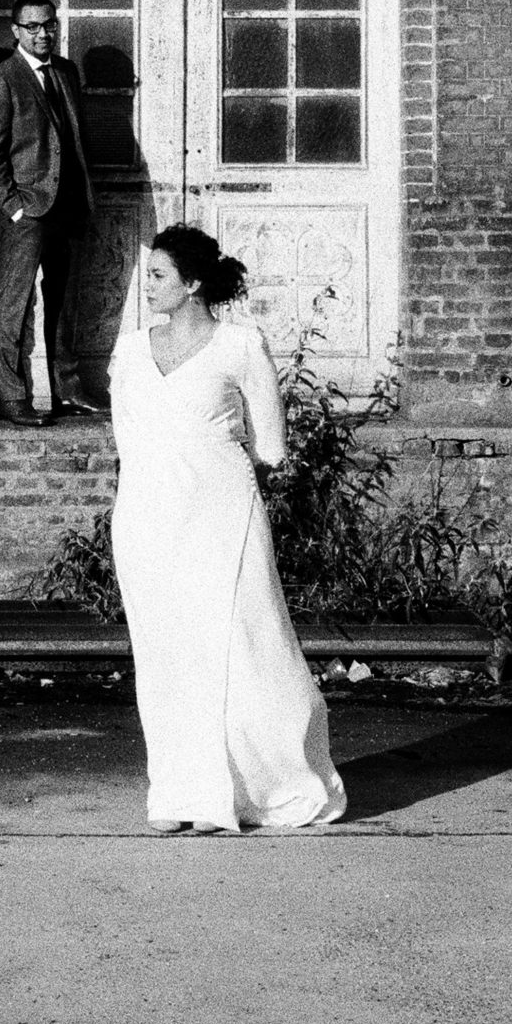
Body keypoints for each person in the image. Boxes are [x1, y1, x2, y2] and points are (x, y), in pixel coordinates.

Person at [109, 224, 346, 833]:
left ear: (192, 284)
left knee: (246, 649)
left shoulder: (240, 345)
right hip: (145, 520)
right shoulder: (129, 351)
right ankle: (182, 796)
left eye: (159, 275)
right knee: (165, 659)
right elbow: (127, 443)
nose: (149, 286)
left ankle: (265, 788)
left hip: (222, 515)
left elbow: (271, 447)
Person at [0, 0, 105, 427]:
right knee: (14, 307)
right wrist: (14, 209)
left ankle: (67, 392)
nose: (43, 33)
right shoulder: (4, 79)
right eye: (33, 27)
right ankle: (12, 399)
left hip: (66, 206)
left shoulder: (66, 71)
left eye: (49, 25)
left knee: (64, 304)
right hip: (26, 214)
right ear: (15, 32)